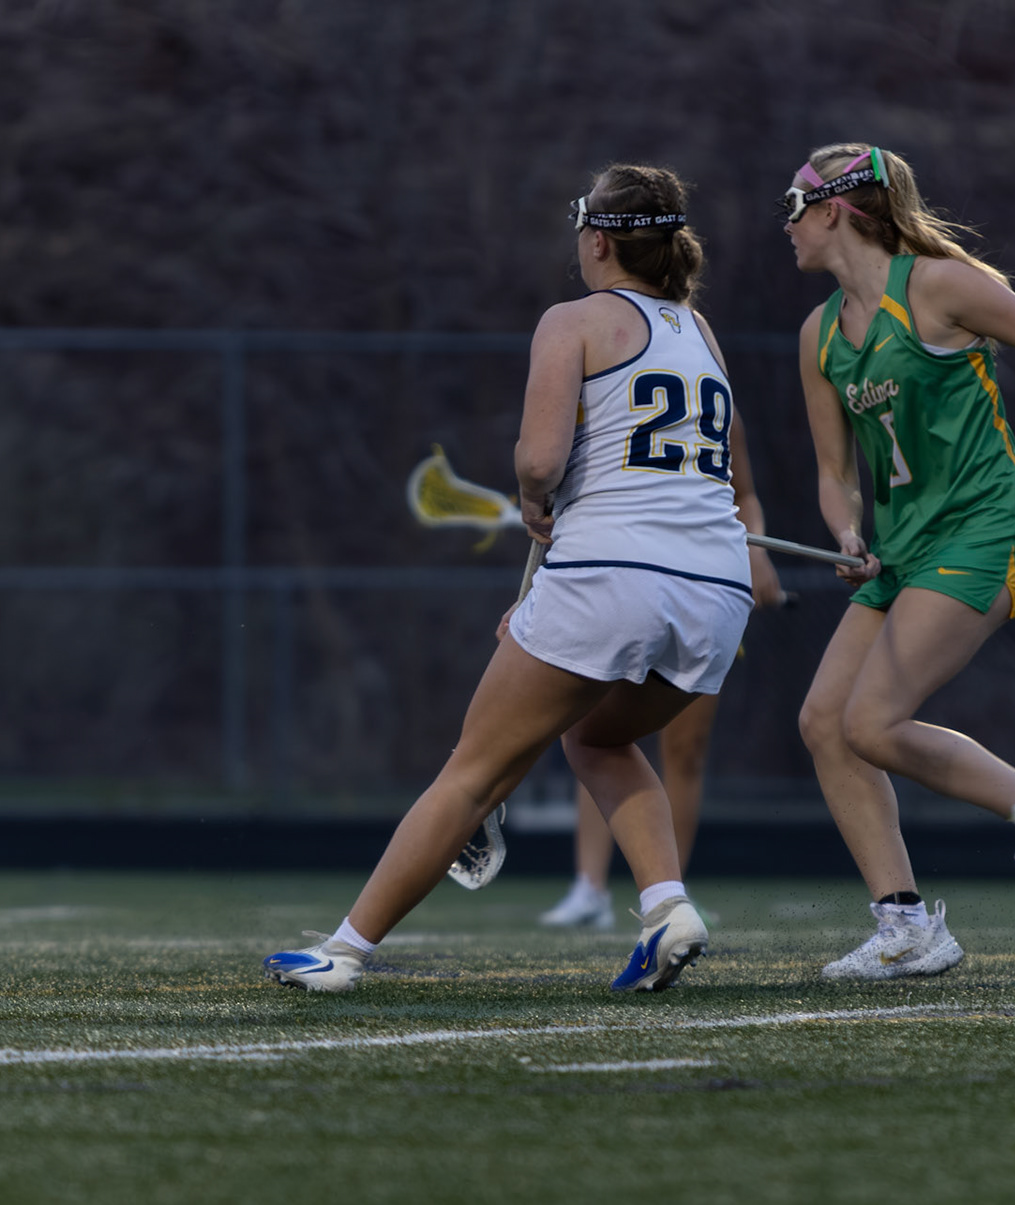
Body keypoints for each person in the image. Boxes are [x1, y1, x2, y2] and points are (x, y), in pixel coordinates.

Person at [265, 164, 752, 993]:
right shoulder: (699, 331)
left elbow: (540, 460)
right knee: (597, 739)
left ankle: (343, 953)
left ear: (597, 240)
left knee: (473, 771)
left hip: (612, 574)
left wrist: (533, 499)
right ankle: (667, 908)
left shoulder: (572, 320)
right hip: (719, 588)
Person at [782, 143, 1015, 979]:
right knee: (825, 724)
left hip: (987, 529)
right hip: (904, 550)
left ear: (834, 209)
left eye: (794, 206)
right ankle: (906, 927)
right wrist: (846, 534)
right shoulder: (818, 335)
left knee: (871, 723)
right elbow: (834, 473)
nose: (788, 226)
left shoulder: (938, 288)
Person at [538, 419, 783, 929]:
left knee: (685, 747)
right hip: (623, 577)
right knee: (596, 732)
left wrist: (757, 555)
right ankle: (589, 888)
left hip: (702, 584)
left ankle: (671, 892)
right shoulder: (606, 394)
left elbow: (744, 493)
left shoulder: (719, 398)